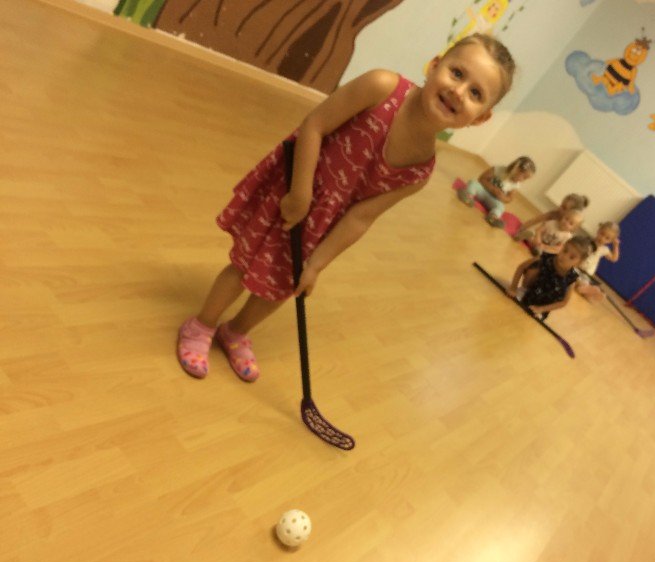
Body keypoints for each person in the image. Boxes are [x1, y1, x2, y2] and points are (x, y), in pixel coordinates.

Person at [176, 34, 517, 381]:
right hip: (292, 189)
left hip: (323, 225)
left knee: (285, 285)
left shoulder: (420, 171)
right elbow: (315, 125)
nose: (459, 91)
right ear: (434, 65)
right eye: (457, 73)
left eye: (476, 93)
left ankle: (235, 332)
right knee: (245, 265)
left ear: (480, 119)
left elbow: (361, 217)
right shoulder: (382, 86)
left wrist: (317, 265)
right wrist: (299, 194)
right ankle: (202, 324)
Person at [505, 236, 593, 319]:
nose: (564, 257)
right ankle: (523, 290)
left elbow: (563, 302)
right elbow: (522, 267)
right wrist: (513, 287)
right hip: (527, 293)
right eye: (565, 250)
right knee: (535, 268)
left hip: (541, 308)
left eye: (571, 257)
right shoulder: (546, 258)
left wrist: (541, 309)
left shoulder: (571, 278)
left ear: (578, 263)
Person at [457, 156, 535, 227]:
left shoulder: (515, 185)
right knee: (473, 183)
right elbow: (482, 178)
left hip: (493, 200)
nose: (522, 180)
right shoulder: (499, 170)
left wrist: (502, 197)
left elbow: (509, 199)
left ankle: (493, 217)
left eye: (525, 179)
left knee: (501, 206)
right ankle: (468, 196)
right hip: (482, 191)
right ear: (516, 169)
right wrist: (492, 188)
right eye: (523, 177)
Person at [513, 192, 590, 242]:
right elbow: (535, 220)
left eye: (564, 208)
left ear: (571, 213)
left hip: (548, 243)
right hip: (539, 236)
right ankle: (525, 237)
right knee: (532, 232)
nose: (559, 208)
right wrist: (521, 228)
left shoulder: (568, 230)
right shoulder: (553, 214)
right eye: (561, 205)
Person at [575, 222, 620, 302]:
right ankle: (581, 288)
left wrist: (616, 246)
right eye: (602, 234)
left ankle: (588, 293)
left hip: (587, 273)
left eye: (607, 238)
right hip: (577, 267)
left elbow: (614, 259)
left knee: (584, 282)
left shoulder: (605, 249)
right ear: (598, 230)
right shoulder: (587, 241)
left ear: (611, 241)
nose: (602, 238)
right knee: (575, 278)